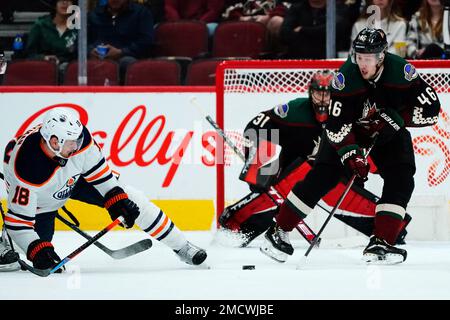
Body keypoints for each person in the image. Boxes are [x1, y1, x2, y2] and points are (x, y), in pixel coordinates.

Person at [260, 28, 440, 264]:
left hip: (388, 133)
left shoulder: (402, 73)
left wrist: (396, 119)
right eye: (360, 57)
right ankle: (278, 231)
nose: (363, 64)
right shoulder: (345, 79)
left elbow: (431, 111)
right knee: (324, 175)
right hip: (352, 130)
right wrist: (351, 155)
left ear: (382, 56)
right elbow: (335, 125)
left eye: (369, 58)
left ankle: (381, 242)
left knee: (402, 176)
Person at [0, 107, 207, 273]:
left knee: (131, 199)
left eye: (78, 139)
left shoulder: (79, 142)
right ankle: (5, 241)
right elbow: (19, 221)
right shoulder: (27, 167)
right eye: (72, 142)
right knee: (26, 256)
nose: (78, 145)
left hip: (75, 178)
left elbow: (102, 176)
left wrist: (115, 198)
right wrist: (36, 249)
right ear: (54, 142)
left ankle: (182, 245)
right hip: (41, 200)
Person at [218, 70, 411, 248]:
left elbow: (372, 149)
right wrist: (260, 169)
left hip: (332, 174)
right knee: (299, 177)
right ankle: (234, 226)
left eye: (328, 94)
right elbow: (258, 125)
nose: (324, 100)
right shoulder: (296, 110)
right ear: (311, 93)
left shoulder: (349, 114)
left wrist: (363, 170)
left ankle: (392, 230)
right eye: (319, 93)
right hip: (294, 174)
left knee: (336, 188)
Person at [88, 0, 154, 83]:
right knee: (80, 65)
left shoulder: (141, 13)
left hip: (128, 58)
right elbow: (81, 42)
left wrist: (121, 52)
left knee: (127, 62)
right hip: (98, 58)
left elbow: (146, 41)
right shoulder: (94, 15)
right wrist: (90, 51)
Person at [25, 0, 79, 82]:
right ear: (55, 5)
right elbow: (29, 54)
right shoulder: (41, 25)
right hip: (43, 71)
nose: (65, 3)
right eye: (60, 0)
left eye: (69, 0)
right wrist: (44, 58)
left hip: (72, 74)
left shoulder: (79, 27)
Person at [279, 0, 350, 59]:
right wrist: (316, 34)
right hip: (299, 60)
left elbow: (334, 29)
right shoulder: (297, 8)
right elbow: (284, 34)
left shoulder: (338, 8)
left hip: (329, 60)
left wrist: (303, 30)